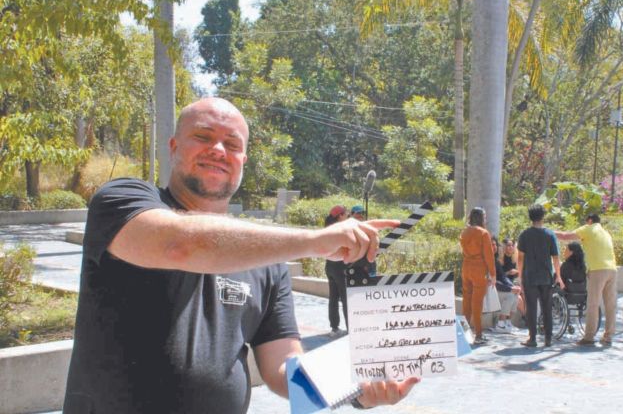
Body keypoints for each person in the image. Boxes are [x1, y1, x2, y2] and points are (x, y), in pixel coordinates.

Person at [63, 98, 418, 413]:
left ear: (243, 161)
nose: (218, 150)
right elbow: (181, 245)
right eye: (203, 136)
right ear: (173, 147)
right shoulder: (123, 200)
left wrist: (355, 386)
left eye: (232, 144)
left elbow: (283, 369)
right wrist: (314, 241)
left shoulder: (267, 259)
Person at [555, 213, 617, 347]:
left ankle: (589, 337)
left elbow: (565, 236)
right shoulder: (606, 233)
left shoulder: (589, 228)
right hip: (612, 269)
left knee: (593, 304)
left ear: (589, 220)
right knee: (610, 305)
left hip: (598, 270)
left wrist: (548, 231)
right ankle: (608, 336)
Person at [517, 204, 564, 348]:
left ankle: (532, 338)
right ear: (543, 217)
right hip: (546, 277)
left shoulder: (524, 235)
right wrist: (558, 276)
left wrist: (520, 276)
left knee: (531, 308)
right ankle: (548, 339)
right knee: (547, 307)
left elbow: (520, 258)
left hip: (530, 276)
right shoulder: (550, 235)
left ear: (530, 217)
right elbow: (555, 258)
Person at [459, 207, 496, 345]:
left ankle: (463, 333)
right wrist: (493, 274)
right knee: (477, 303)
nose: (485, 219)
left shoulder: (464, 232)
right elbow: (489, 256)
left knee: (466, 301)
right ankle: (478, 334)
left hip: (466, 267)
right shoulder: (483, 233)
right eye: (484, 217)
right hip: (479, 269)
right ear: (481, 218)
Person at [325, 205, 350, 337]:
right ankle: (351, 328)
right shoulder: (341, 230)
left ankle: (334, 328)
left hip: (329, 266)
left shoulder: (328, 229)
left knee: (333, 298)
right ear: (340, 216)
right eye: (346, 214)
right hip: (340, 267)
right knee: (346, 298)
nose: (348, 216)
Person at [492, 236, 521, 333]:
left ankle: (507, 323)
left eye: (495, 245)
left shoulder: (496, 261)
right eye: (491, 245)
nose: (494, 247)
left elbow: (503, 277)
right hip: (490, 290)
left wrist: (512, 287)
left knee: (515, 294)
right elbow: (495, 281)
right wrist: (510, 289)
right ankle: (500, 324)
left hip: (499, 287)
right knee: (511, 295)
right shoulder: (490, 260)